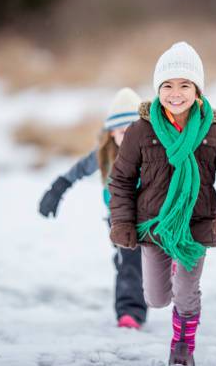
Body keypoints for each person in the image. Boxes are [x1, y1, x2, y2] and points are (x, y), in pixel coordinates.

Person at [108, 42, 216, 365]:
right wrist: (122, 222)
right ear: (158, 89)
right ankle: (168, 271)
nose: (176, 93)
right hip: (155, 226)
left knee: (186, 294)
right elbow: (121, 180)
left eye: (185, 85)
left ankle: (183, 347)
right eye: (168, 86)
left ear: (197, 89)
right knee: (156, 298)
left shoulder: (215, 133)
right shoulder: (140, 131)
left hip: (196, 227)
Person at [39, 87, 148, 329]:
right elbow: (76, 171)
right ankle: (129, 311)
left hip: (154, 220)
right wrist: (57, 188)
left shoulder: (154, 153)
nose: (129, 137)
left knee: (150, 263)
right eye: (122, 131)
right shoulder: (104, 157)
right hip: (120, 221)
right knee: (128, 263)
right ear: (111, 134)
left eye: (135, 130)